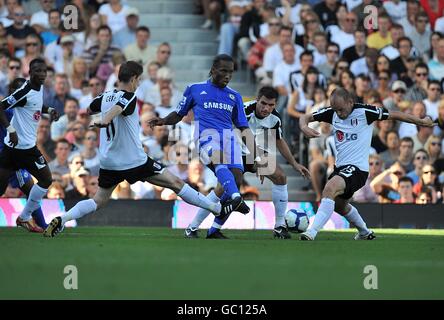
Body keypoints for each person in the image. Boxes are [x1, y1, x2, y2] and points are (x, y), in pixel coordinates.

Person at [44, 61, 234, 237]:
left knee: (98, 200)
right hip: (134, 160)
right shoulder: (130, 97)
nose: (139, 83)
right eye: (139, 79)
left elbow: (90, 109)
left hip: (109, 162)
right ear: (134, 78)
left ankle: (63, 219)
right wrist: (106, 119)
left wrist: (101, 117)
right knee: (175, 183)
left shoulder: (104, 96)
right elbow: (118, 108)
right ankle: (216, 209)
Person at [298, 87, 435, 241]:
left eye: (341, 109)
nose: (339, 114)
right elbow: (304, 117)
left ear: (350, 102)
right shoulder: (332, 112)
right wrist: (304, 127)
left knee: (329, 188)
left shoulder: (365, 112)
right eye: (336, 110)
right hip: (341, 168)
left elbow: (395, 114)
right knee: (340, 206)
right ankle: (364, 232)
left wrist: (421, 122)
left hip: (358, 169)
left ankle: (311, 232)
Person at [149, 54, 259, 239]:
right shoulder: (195, 89)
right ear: (213, 70)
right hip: (205, 138)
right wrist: (163, 121)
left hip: (228, 139)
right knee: (220, 162)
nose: (227, 76)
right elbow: (179, 113)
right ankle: (236, 198)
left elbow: (243, 127)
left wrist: (257, 155)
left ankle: (207, 229)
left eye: (230, 72)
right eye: (224, 71)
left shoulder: (234, 96)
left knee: (231, 182)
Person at [184, 86, 310, 239]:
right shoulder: (242, 109)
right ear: (257, 100)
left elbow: (279, 140)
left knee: (280, 177)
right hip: (231, 150)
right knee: (224, 190)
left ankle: (279, 226)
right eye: (263, 103)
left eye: (271, 105)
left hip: (252, 152)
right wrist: (258, 160)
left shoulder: (275, 118)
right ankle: (193, 227)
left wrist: (294, 164)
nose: (266, 108)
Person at [0, 59, 59, 232]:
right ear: (30, 73)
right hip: (20, 150)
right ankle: (27, 218)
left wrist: (48, 111)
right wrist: (10, 129)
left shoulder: (37, 88)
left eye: (44, 71)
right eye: (38, 71)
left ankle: (32, 220)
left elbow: (35, 105)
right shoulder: (22, 94)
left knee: (34, 185)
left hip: (14, 150)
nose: (42, 74)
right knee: (44, 180)